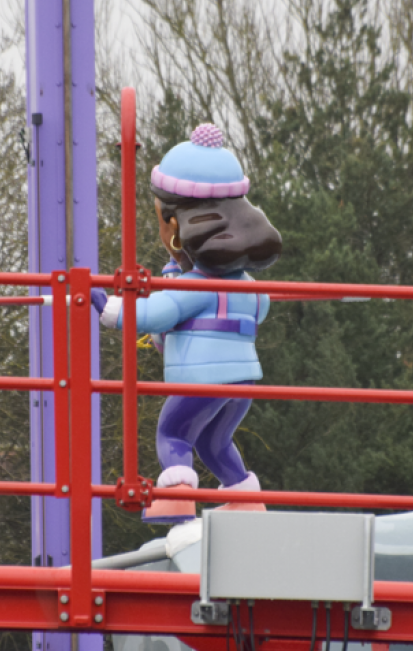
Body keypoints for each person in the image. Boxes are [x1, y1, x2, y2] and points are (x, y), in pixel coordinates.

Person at [94, 123, 281, 522]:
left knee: (173, 434)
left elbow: (154, 315)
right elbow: (259, 310)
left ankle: (177, 499)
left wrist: (107, 307)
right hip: (243, 381)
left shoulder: (195, 287)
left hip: (202, 379)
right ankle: (246, 500)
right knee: (215, 441)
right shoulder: (251, 287)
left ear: (175, 227)